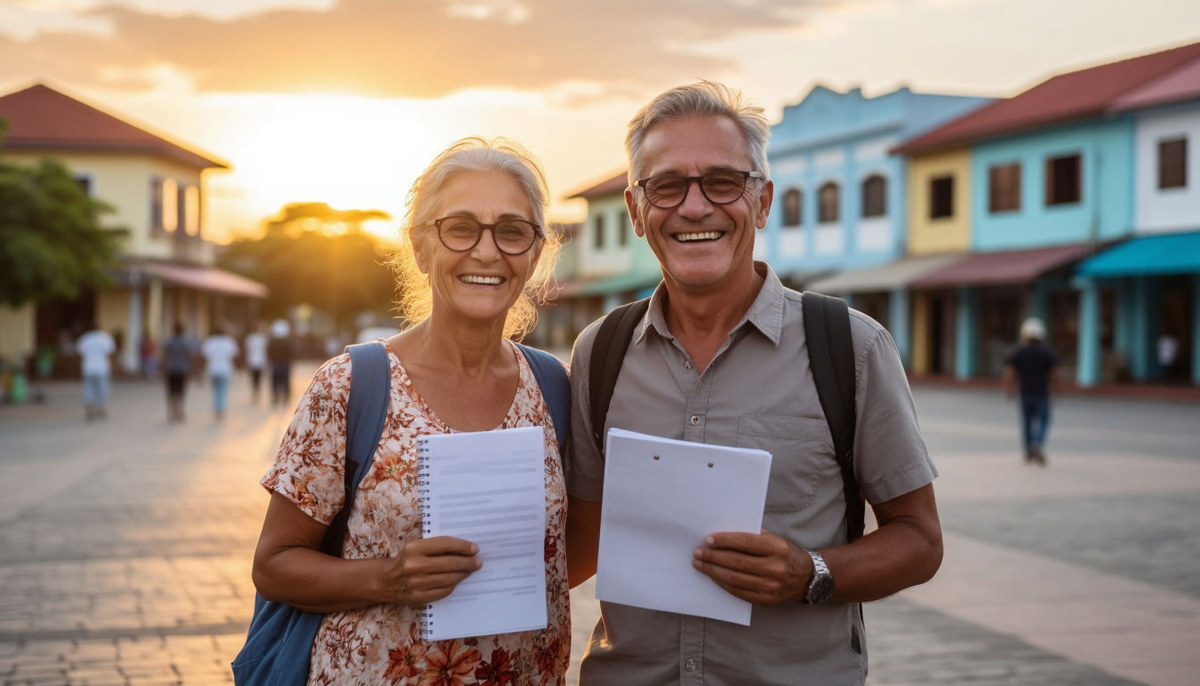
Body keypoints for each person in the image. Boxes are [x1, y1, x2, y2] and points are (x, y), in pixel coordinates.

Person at [565, 82, 942, 685]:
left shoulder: (850, 346)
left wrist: (811, 572)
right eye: (666, 186)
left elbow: (920, 541)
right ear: (637, 212)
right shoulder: (600, 352)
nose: (694, 207)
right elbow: (580, 538)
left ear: (762, 202)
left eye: (722, 181)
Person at [250, 137, 569, 683]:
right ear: (421, 248)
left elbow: (566, 558)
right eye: (461, 227)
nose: (487, 252)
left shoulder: (551, 385)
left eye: (512, 231)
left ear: (534, 254)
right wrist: (389, 578)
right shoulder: (351, 385)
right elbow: (274, 565)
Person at [1004, 317, 1058, 465]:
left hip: (1025, 392)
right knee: (1043, 420)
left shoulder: (1018, 351)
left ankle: (1028, 451)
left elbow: (1011, 373)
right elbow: (1053, 374)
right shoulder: (1046, 352)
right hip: (1042, 392)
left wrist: (1009, 390)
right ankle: (1038, 444)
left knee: (1027, 422)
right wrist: (1057, 390)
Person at [76, 326, 115, 421]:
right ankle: (100, 408)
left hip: (88, 368)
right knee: (102, 389)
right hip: (101, 368)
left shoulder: (85, 338)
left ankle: (89, 407)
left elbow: (79, 350)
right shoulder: (105, 338)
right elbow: (111, 350)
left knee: (88, 388)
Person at [201, 326, 240, 420]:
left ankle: (217, 408)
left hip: (213, 369)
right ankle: (221, 409)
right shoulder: (228, 342)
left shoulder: (210, 341)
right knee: (222, 390)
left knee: (216, 390)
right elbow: (235, 354)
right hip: (225, 369)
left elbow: (204, 354)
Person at [161, 323, 194, 422]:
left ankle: (172, 412)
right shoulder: (185, 342)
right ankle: (179, 411)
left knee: (171, 391)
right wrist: (191, 370)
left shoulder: (169, 342)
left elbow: (165, 357)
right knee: (180, 391)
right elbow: (190, 356)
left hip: (171, 369)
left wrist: (163, 369)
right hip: (182, 369)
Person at [266, 319, 294, 409]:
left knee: (275, 381)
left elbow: (268, 352)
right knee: (285, 381)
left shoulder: (272, 341)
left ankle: (275, 398)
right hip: (285, 364)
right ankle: (286, 398)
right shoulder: (287, 341)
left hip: (275, 363)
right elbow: (291, 353)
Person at [244, 323, 268, 402]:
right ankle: (257, 394)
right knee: (258, 379)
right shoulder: (263, 338)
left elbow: (247, 350)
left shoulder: (250, 338)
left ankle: (255, 394)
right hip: (259, 361)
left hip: (253, 361)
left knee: (254, 379)